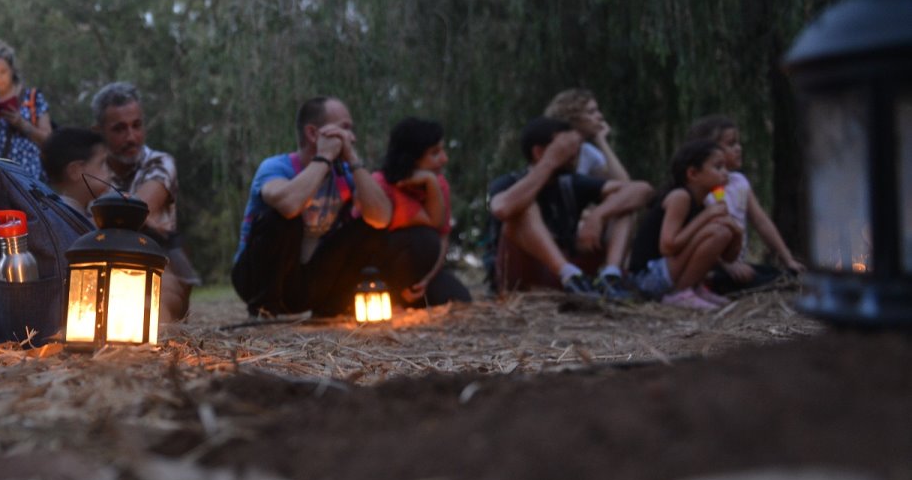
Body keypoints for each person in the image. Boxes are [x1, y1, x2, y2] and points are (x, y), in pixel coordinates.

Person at [232, 96, 393, 317]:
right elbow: (289, 206)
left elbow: (382, 217)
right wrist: (325, 155)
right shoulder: (275, 167)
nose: (352, 138)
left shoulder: (345, 174)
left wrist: (353, 160)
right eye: (344, 129)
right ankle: (263, 309)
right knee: (282, 217)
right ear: (313, 134)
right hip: (254, 280)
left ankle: (331, 308)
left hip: (305, 284)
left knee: (368, 228)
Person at [487, 117, 652, 297]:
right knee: (522, 208)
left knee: (621, 203)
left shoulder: (569, 183)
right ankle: (570, 275)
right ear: (539, 152)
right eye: (565, 148)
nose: (574, 154)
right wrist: (549, 162)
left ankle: (610, 277)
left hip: (565, 273)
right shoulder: (508, 182)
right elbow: (502, 209)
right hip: (523, 277)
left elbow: (642, 190)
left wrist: (599, 215)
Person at [92, 82, 198, 321]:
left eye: (137, 126)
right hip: (102, 263)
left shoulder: (160, 162)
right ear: (99, 132)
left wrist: (102, 219)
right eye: (119, 129)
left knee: (162, 294)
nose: (131, 137)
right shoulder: (91, 170)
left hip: (158, 258)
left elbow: (133, 212)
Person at [686, 114, 805, 294]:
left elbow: (761, 221)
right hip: (714, 266)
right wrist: (727, 264)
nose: (738, 149)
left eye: (738, 143)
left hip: (738, 263)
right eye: (731, 144)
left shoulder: (739, 182)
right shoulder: (702, 190)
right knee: (764, 282)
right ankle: (709, 285)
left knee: (782, 275)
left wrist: (787, 258)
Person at [628, 140, 743, 310]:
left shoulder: (702, 204)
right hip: (648, 278)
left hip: (665, 274)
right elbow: (668, 246)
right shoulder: (680, 197)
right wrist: (705, 218)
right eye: (718, 167)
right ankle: (679, 293)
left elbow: (729, 258)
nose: (725, 173)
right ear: (693, 174)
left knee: (722, 232)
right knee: (716, 231)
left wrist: (736, 231)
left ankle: (693, 288)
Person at [372, 118, 471, 308]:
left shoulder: (438, 183)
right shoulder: (380, 184)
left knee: (459, 298)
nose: (444, 159)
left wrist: (427, 278)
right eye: (435, 153)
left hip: (424, 269)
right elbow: (431, 226)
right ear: (411, 157)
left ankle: (416, 292)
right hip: (386, 268)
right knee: (423, 237)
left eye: (442, 151)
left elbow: (442, 235)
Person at [0, 39, 52, 181]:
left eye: (3, 71)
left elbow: (49, 140)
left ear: (12, 70)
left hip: (27, 177)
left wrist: (22, 124)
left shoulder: (32, 97)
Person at [545, 89, 630, 181]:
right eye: (591, 112)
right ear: (572, 118)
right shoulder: (549, 149)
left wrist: (601, 141)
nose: (600, 116)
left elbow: (623, 183)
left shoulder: (587, 152)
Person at [41, 126, 109, 219]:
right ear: (75, 171)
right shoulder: (64, 220)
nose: (110, 171)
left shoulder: (55, 212)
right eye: (102, 163)